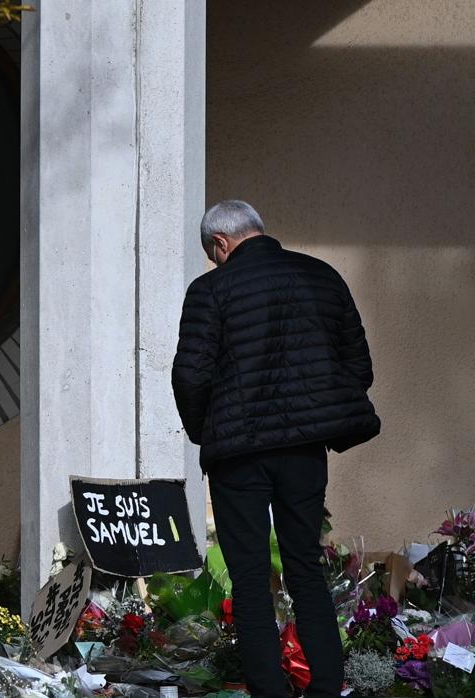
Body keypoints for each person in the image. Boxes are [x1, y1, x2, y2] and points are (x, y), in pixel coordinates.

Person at [171, 200, 380, 698]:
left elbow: (191, 375)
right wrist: (320, 414)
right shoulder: (322, 277)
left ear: (219, 245)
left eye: (212, 254)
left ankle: (269, 691)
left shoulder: (210, 290)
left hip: (239, 454)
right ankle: (328, 687)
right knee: (304, 566)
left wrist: (208, 429)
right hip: (304, 452)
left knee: (247, 578)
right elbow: (359, 367)